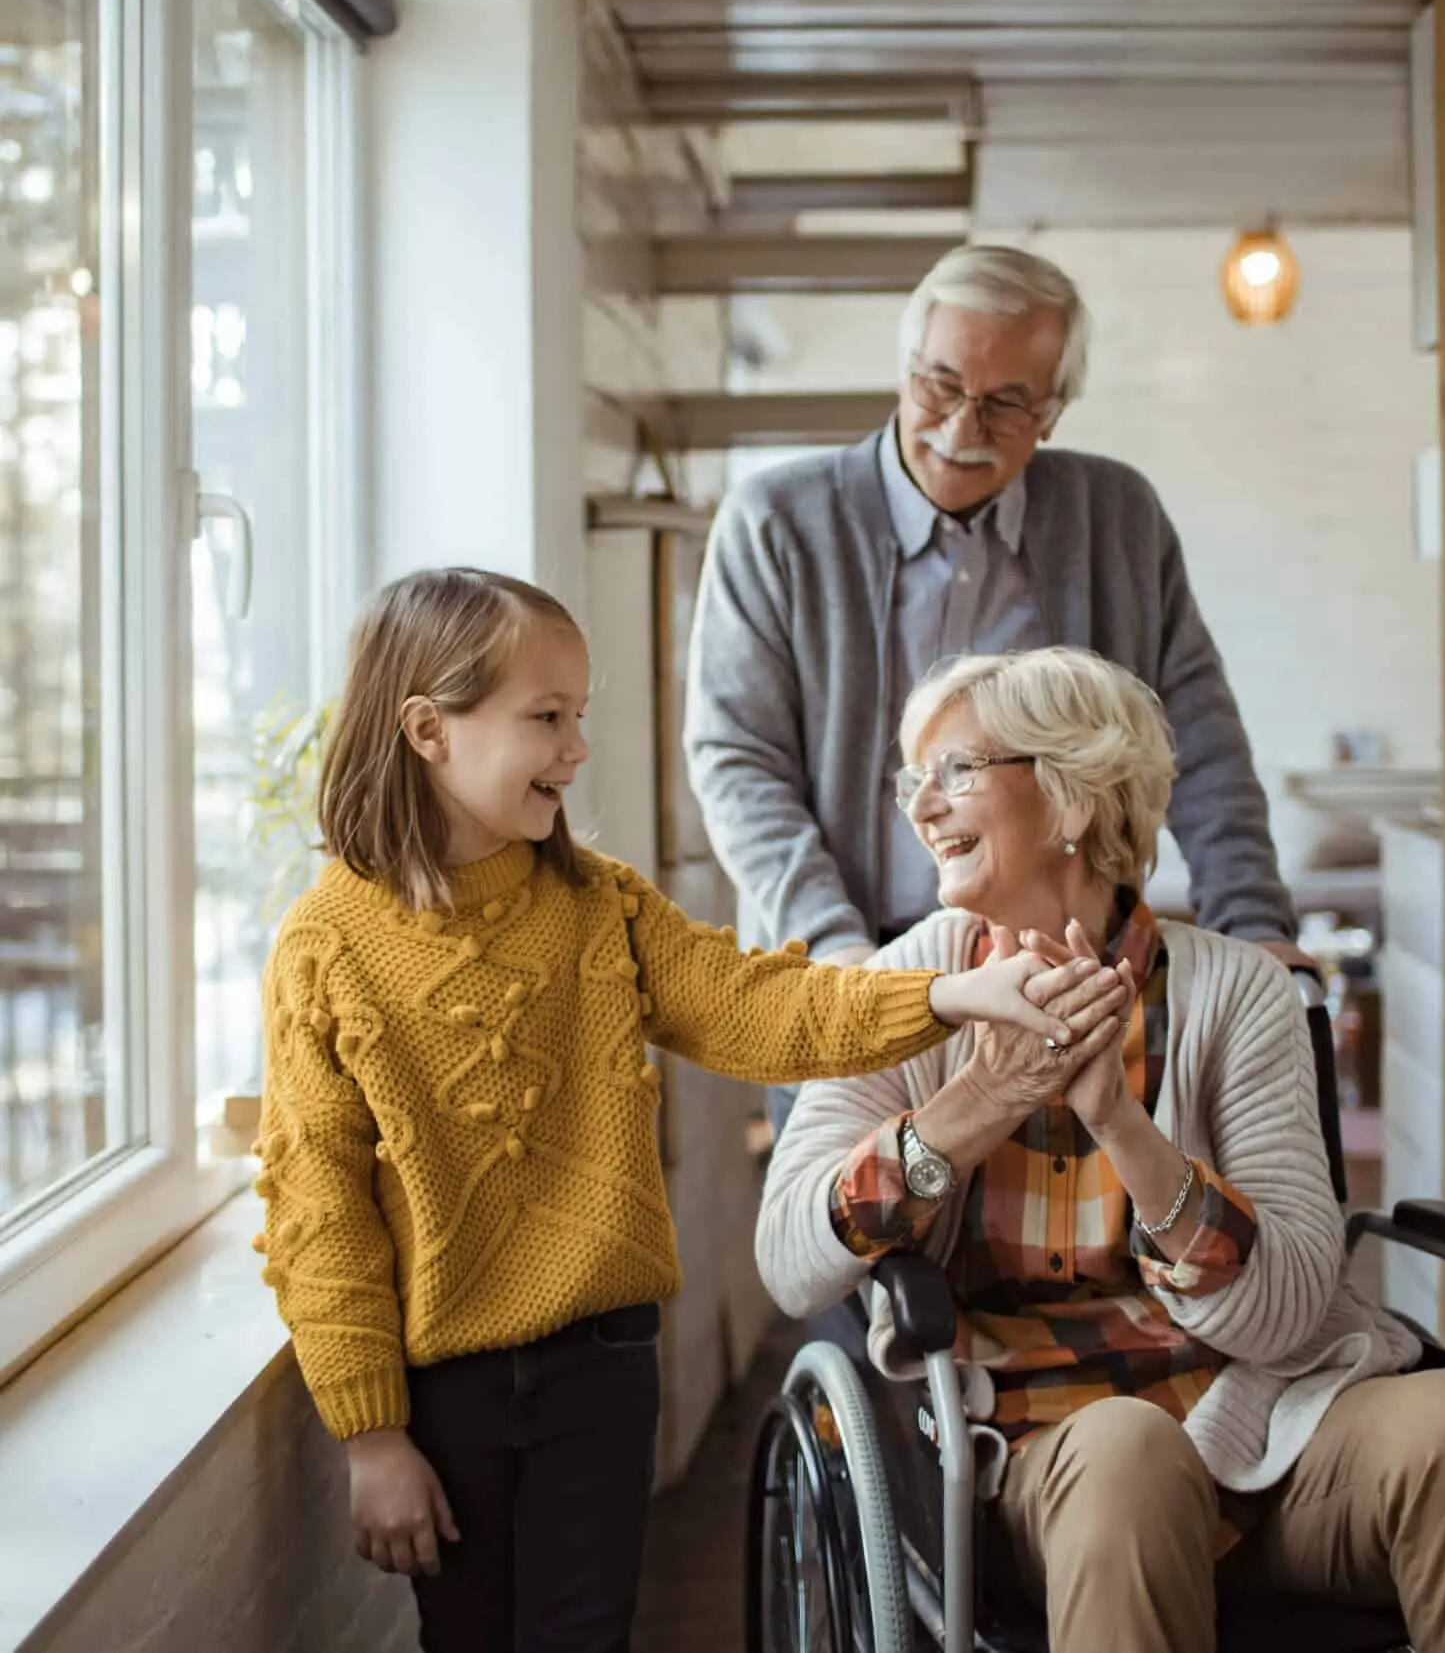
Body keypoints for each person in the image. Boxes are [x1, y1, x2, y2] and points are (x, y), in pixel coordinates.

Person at [250, 568, 1123, 1653]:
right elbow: (318, 1207)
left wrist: (948, 991)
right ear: (429, 728)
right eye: (547, 717)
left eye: (580, 716)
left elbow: (767, 1008)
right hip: (444, 1390)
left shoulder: (600, 905)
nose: (576, 748)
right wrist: (372, 1433)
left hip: (603, 1369)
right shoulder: (323, 947)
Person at [756, 646, 1445, 1653]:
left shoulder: (1240, 995)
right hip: (1043, 1462)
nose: (921, 808)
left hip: (1269, 1419)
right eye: (912, 779)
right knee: (1130, 1449)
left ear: (1070, 797)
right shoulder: (894, 994)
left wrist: (1121, 1123)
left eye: (956, 770)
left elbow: (1283, 1311)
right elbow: (791, 1258)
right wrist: (980, 1099)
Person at [685, 243, 1305, 1131]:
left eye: (1007, 402)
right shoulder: (775, 523)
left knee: (1071, 1244)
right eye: (939, 385)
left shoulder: (1117, 517)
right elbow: (737, 761)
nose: (962, 427)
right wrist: (835, 950)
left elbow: (1193, 734)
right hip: (855, 963)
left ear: (1052, 411)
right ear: (905, 370)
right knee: (863, 1238)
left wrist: (1252, 920)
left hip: (1071, 975)